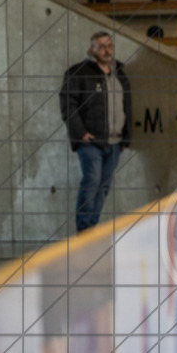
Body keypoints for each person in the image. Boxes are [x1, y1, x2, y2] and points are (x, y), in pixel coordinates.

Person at [59, 31, 132, 233]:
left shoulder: (120, 73)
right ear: (92, 49)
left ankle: (91, 228)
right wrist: (80, 132)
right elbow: (67, 105)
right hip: (90, 142)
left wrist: (126, 137)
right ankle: (84, 230)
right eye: (102, 46)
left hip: (115, 142)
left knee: (103, 186)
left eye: (110, 46)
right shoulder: (78, 73)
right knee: (91, 181)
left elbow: (127, 105)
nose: (107, 50)